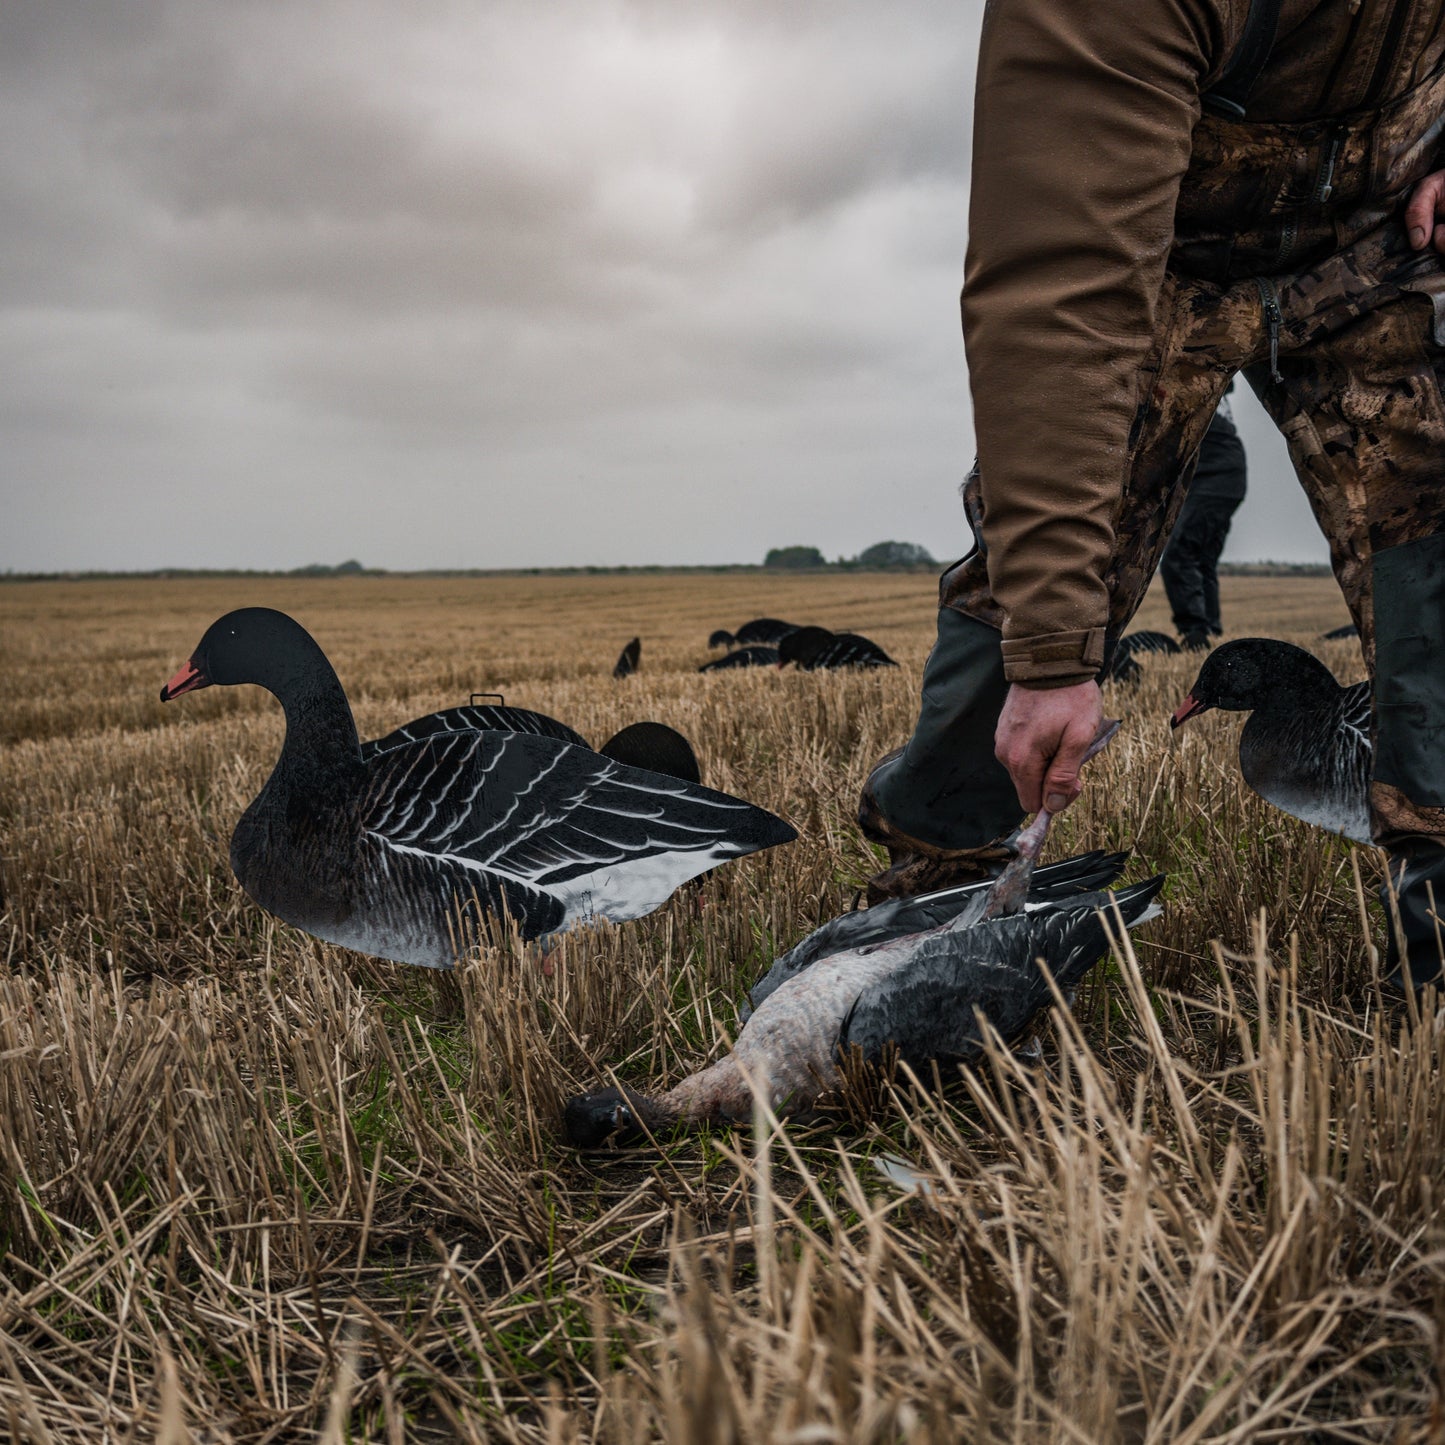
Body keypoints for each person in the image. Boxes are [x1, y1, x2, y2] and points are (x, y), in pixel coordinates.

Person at [860, 0, 1445, 990]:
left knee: (1424, 518)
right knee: (1049, 557)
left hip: (1370, 225)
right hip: (1158, 246)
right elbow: (1058, 292)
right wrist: (1050, 645)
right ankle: (938, 890)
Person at [1158, 392, 1248, 649]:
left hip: (1215, 480)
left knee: (1178, 556)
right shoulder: (1216, 397)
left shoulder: (1196, 394)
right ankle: (1210, 630)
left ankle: (1196, 633)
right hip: (1227, 478)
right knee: (1203, 560)